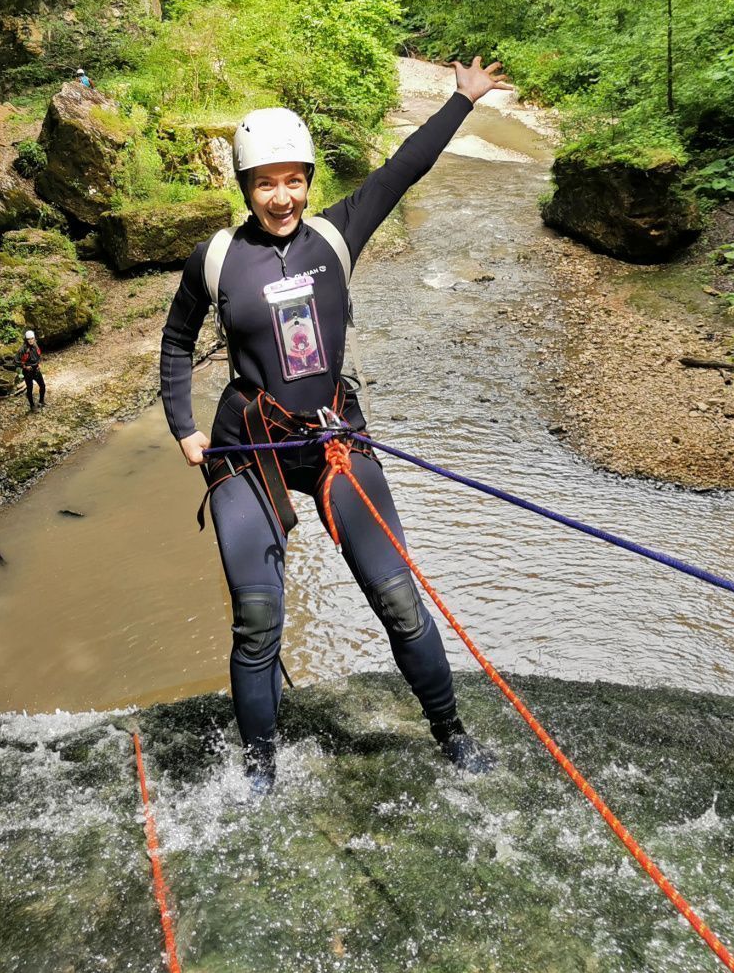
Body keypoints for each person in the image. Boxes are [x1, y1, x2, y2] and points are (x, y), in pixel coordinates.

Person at [158, 57, 512, 794]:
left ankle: (450, 734)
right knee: (258, 618)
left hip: (332, 442)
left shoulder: (338, 235)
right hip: (248, 448)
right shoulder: (217, 259)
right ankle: (260, 768)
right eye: (265, 182)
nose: (281, 196)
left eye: (293, 180)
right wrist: (183, 425)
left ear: (309, 181)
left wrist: (460, 100)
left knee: (397, 597)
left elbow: (404, 169)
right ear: (245, 186)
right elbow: (176, 341)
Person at [18, 329, 46, 411]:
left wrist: (39, 364)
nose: (31, 341)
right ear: (26, 340)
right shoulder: (22, 349)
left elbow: (38, 356)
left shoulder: (35, 346)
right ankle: (32, 405)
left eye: (32, 339)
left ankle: (41, 401)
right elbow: (17, 361)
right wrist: (25, 367)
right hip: (28, 372)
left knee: (43, 385)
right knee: (29, 389)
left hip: (36, 369)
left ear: (34, 338)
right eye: (29, 339)